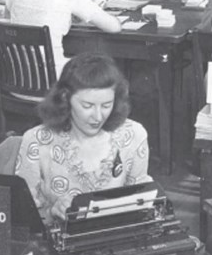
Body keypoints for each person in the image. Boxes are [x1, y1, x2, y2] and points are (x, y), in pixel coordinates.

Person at [14, 53, 151, 221]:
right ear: (65, 98)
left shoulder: (134, 135)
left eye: (107, 105)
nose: (98, 117)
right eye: (87, 106)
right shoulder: (36, 141)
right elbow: (22, 215)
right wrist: (52, 212)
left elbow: (140, 200)